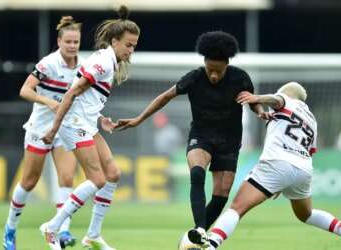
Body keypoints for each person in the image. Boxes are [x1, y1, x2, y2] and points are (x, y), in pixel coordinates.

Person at [114, 31, 269, 247]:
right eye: (210, 69)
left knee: (221, 194)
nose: (213, 75)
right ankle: (198, 229)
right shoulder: (195, 77)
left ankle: (196, 236)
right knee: (197, 172)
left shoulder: (240, 78)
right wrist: (139, 119)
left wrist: (260, 110)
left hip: (229, 141)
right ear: (204, 63)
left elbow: (251, 100)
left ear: (227, 65)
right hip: (201, 136)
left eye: (218, 70)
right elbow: (165, 97)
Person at [206, 82, 341, 250]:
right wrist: (283, 181)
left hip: (277, 162)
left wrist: (256, 98)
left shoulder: (287, 100)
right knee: (306, 214)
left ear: (287, 94)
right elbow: (311, 150)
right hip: (303, 169)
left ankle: (210, 246)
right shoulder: (312, 120)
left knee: (236, 208)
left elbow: (276, 100)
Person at [40, 5, 140, 250]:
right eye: (128, 45)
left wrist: (100, 117)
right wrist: (54, 128)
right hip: (73, 124)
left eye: (134, 45)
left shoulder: (110, 61)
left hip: (86, 122)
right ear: (115, 41)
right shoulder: (103, 62)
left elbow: (87, 99)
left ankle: (92, 235)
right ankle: (52, 227)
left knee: (113, 174)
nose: (131, 50)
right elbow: (72, 92)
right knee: (96, 179)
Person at [3, 16, 82, 250]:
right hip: (40, 128)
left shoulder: (82, 66)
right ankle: (10, 228)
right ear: (59, 41)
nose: (72, 46)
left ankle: (62, 230)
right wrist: (46, 100)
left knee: (67, 177)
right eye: (68, 41)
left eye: (76, 42)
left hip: (64, 128)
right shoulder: (48, 64)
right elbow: (25, 90)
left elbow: (83, 98)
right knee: (29, 181)